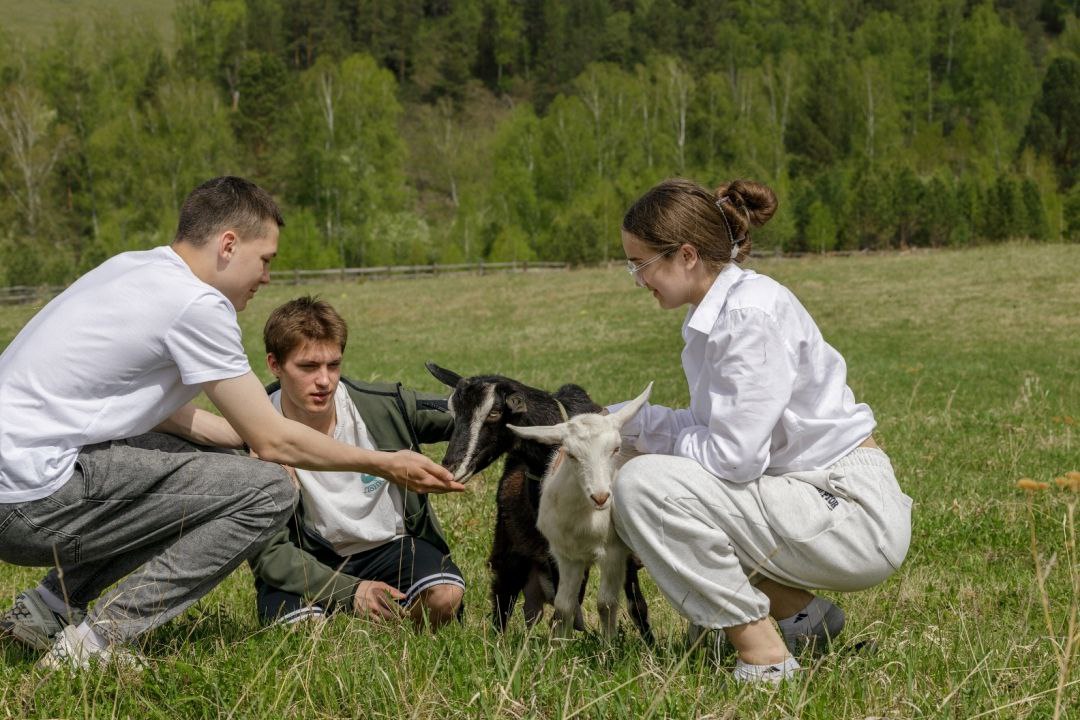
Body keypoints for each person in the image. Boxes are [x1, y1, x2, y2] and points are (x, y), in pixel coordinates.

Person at [0, 176, 461, 671]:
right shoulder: (196, 305)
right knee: (266, 491)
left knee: (220, 477)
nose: (265, 278)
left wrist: (241, 450)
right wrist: (386, 463)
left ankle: (47, 610)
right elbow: (273, 437)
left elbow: (160, 411)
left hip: (21, 483)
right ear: (227, 245)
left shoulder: (135, 270)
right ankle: (97, 643)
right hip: (35, 501)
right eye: (265, 260)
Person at [608, 178, 912, 684]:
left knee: (642, 487)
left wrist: (645, 453)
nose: (638, 279)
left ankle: (764, 655)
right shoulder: (723, 313)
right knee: (652, 479)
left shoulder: (748, 316)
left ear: (686, 255)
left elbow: (733, 458)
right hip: (813, 495)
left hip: (850, 511)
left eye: (639, 264)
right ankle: (804, 618)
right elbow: (713, 432)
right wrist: (622, 423)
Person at [249, 297, 464, 630]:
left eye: (333, 365)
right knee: (303, 634)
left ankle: (406, 641)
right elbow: (269, 556)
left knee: (445, 595)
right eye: (308, 367)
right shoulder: (254, 432)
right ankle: (337, 611)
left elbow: (467, 413)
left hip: (390, 546)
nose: (325, 380)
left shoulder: (381, 406)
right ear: (274, 365)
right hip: (307, 560)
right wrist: (351, 592)